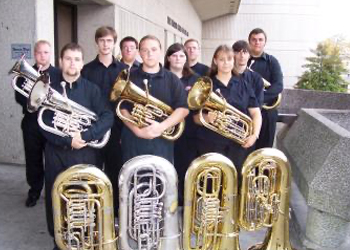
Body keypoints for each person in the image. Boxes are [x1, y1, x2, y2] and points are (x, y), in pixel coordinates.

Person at [41, 43, 114, 248]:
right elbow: (43, 123)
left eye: (77, 59)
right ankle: (60, 241)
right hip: (57, 153)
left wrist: (85, 134)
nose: (72, 63)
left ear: (82, 64)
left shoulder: (92, 90)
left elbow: (108, 117)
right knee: (57, 199)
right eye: (68, 59)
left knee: (85, 198)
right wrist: (67, 139)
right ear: (61, 62)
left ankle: (85, 239)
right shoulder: (48, 90)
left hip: (86, 154)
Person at [119, 35, 189, 164]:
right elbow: (122, 108)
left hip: (162, 143)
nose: (149, 53)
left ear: (161, 52)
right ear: (139, 53)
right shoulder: (128, 77)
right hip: (133, 141)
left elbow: (183, 109)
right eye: (145, 50)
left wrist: (161, 127)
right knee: (132, 181)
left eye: (154, 49)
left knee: (161, 181)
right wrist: (138, 131)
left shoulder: (172, 79)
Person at [194, 45, 262, 175]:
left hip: (238, 145)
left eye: (229, 59)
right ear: (215, 61)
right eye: (221, 59)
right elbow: (195, 118)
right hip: (210, 143)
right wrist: (207, 118)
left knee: (236, 181)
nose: (226, 63)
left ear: (233, 60)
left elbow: (255, 113)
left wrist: (255, 135)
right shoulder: (206, 85)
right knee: (211, 182)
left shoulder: (244, 84)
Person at [81, 26, 126, 214]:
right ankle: (95, 209)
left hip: (117, 128)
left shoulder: (124, 70)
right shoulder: (87, 70)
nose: (105, 44)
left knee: (115, 169)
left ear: (114, 43)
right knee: (94, 169)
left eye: (109, 40)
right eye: (102, 40)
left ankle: (114, 211)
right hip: (94, 127)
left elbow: (127, 102)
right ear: (97, 42)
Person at [15, 40, 60, 207]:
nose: (43, 55)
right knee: (33, 159)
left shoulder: (58, 74)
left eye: (46, 52)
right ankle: (34, 191)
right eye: (40, 52)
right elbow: (19, 97)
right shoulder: (25, 73)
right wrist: (34, 92)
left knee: (53, 160)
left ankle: (52, 193)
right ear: (35, 54)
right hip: (31, 123)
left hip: (50, 123)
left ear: (50, 54)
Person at [164, 42, 200, 206]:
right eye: (174, 55)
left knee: (185, 168)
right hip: (164, 131)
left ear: (186, 58)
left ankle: (185, 203)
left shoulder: (195, 79)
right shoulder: (161, 76)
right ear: (168, 58)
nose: (178, 59)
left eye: (182, 55)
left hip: (189, 133)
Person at [247, 28, 283, 148]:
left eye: (260, 40)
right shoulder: (242, 61)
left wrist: (257, 100)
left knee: (264, 149)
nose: (257, 42)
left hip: (267, 111)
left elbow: (278, 86)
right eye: (254, 40)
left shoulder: (272, 62)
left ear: (264, 42)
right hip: (245, 111)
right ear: (249, 42)